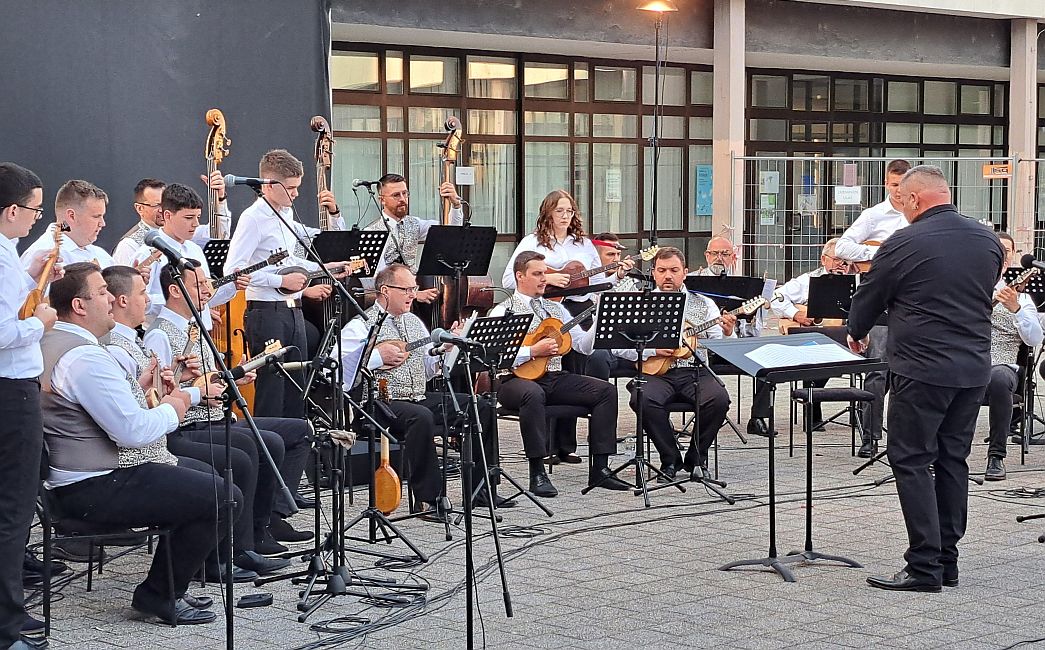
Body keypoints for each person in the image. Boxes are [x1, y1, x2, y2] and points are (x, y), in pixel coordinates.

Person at [40, 262, 234, 624]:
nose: (111, 300)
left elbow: (104, 411)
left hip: (77, 479)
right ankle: (160, 596)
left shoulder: (52, 341)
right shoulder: (85, 357)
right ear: (80, 306)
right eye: (102, 293)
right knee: (221, 496)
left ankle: (170, 587)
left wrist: (144, 388)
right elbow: (133, 431)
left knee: (200, 477)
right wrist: (182, 401)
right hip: (91, 486)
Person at [846, 165, 1004, 592]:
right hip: (972, 369)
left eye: (902, 200)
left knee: (912, 460)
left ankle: (923, 566)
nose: (902, 206)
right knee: (952, 460)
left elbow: (869, 298)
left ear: (914, 199)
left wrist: (855, 332)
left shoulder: (903, 242)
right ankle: (947, 561)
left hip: (921, 370)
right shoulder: (987, 240)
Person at [144, 262, 314, 557]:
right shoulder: (160, 334)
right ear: (175, 290)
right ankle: (245, 542)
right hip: (189, 424)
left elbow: (203, 379)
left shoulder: (195, 326)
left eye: (207, 283)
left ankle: (269, 518)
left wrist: (233, 377)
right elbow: (157, 395)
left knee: (299, 429)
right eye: (198, 286)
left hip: (212, 414)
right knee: (259, 445)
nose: (207, 291)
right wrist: (198, 393)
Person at [340, 263, 499, 513]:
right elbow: (339, 371)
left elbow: (427, 368)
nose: (413, 294)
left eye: (414, 288)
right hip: (378, 403)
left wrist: (444, 351)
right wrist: (378, 357)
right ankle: (429, 498)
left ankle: (482, 490)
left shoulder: (414, 321)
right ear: (385, 290)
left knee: (481, 405)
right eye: (406, 289)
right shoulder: (360, 325)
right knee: (421, 417)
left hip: (417, 395)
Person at [489, 251, 630, 497]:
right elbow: (495, 356)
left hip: (554, 377)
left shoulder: (556, 309)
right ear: (520, 276)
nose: (544, 279)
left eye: (545, 273)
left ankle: (600, 468)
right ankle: (537, 472)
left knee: (605, 391)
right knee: (531, 394)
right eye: (537, 274)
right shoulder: (504, 311)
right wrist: (533, 350)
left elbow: (583, 347)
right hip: (514, 380)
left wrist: (597, 317)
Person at [225, 149, 352, 418]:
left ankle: (295, 450)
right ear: (269, 186)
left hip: (292, 310)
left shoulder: (285, 214)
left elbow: (290, 258)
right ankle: (269, 453)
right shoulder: (253, 218)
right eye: (291, 188)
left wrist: (323, 268)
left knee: (297, 386)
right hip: (266, 310)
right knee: (273, 389)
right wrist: (279, 280)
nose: (296, 194)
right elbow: (235, 268)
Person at [0, 162, 60, 650]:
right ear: (11, 210)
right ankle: (7, 625)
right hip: (9, 392)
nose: (37, 221)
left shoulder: (8, 255)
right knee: (12, 512)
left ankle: (11, 613)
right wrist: (39, 321)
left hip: (11, 389)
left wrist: (34, 277)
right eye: (34, 211)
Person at [613, 247, 734, 482]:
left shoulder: (704, 304)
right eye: (662, 270)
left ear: (685, 273)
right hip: (656, 373)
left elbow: (719, 346)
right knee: (642, 398)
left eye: (674, 270)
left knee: (719, 399)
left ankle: (696, 459)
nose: (668, 275)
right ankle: (669, 459)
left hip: (695, 372)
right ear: (654, 273)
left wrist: (728, 332)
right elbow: (618, 347)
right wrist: (652, 350)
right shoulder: (639, 303)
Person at [836, 159, 913, 457]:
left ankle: (904, 438)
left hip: (910, 299)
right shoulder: (873, 215)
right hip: (881, 298)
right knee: (878, 370)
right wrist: (879, 251)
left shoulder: (917, 215)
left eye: (903, 185)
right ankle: (870, 437)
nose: (897, 191)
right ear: (886, 184)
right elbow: (842, 247)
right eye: (893, 185)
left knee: (907, 372)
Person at [751, 238, 855, 443]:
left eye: (845, 261)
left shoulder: (857, 281)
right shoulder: (808, 280)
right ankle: (809, 405)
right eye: (837, 260)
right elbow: (775, 297)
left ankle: (862, 415)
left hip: (848, 339)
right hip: (813, 340)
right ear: (823, 259)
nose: (841, 265)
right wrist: (795, 314)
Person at [132, 183, 246, 328]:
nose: (196, 224)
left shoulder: (195, 249)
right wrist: (183, 301)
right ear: (167, 215)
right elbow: (142, 302)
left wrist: (232, 285)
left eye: (198, 217)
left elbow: (205, 298)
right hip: (167, 333)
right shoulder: (147, 253)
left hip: (201, 333)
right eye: (188, 218)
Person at [982, 233, 1042, 481]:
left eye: (1007, 251)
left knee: (997, 379)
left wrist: (1016, 309)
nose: (1002, 256)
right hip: (967, 360)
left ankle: (996, 455)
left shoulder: (1023, 299)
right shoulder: (966, 291)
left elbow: (1034, 339)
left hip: (1001, 363)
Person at [360, 172, 463, 302]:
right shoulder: (372, 232)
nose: (402, 199)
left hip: (416, 288)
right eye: (396, 195)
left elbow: (449, 231)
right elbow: (378, 278)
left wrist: (456, 205)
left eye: (405, 193)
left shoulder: (415, 223)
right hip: (391, 301)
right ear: (382, 200)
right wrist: (414, 295)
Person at [19, 179, 115, 270]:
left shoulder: (103, 256)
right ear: (71, 216)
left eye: (102, 216)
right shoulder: (40, 257)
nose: (102, 223)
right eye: (96, 216)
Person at [694, 236, 764, 338]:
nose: (719, 258)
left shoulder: (743, 286)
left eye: (724, 254)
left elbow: (751, 333)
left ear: (733, 258)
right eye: (714, 253)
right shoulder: (692, 281)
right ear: (707, 256)